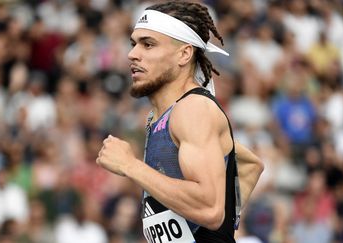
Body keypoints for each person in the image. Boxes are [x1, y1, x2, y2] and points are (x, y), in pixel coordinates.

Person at [96, 1, 264, 243]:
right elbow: (250, 165)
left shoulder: (193, 109)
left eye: (148, 44)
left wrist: (130, 165)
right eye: (134, 44)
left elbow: (210, 210)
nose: (133, 54)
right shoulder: (164, 115)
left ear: (184, 54)